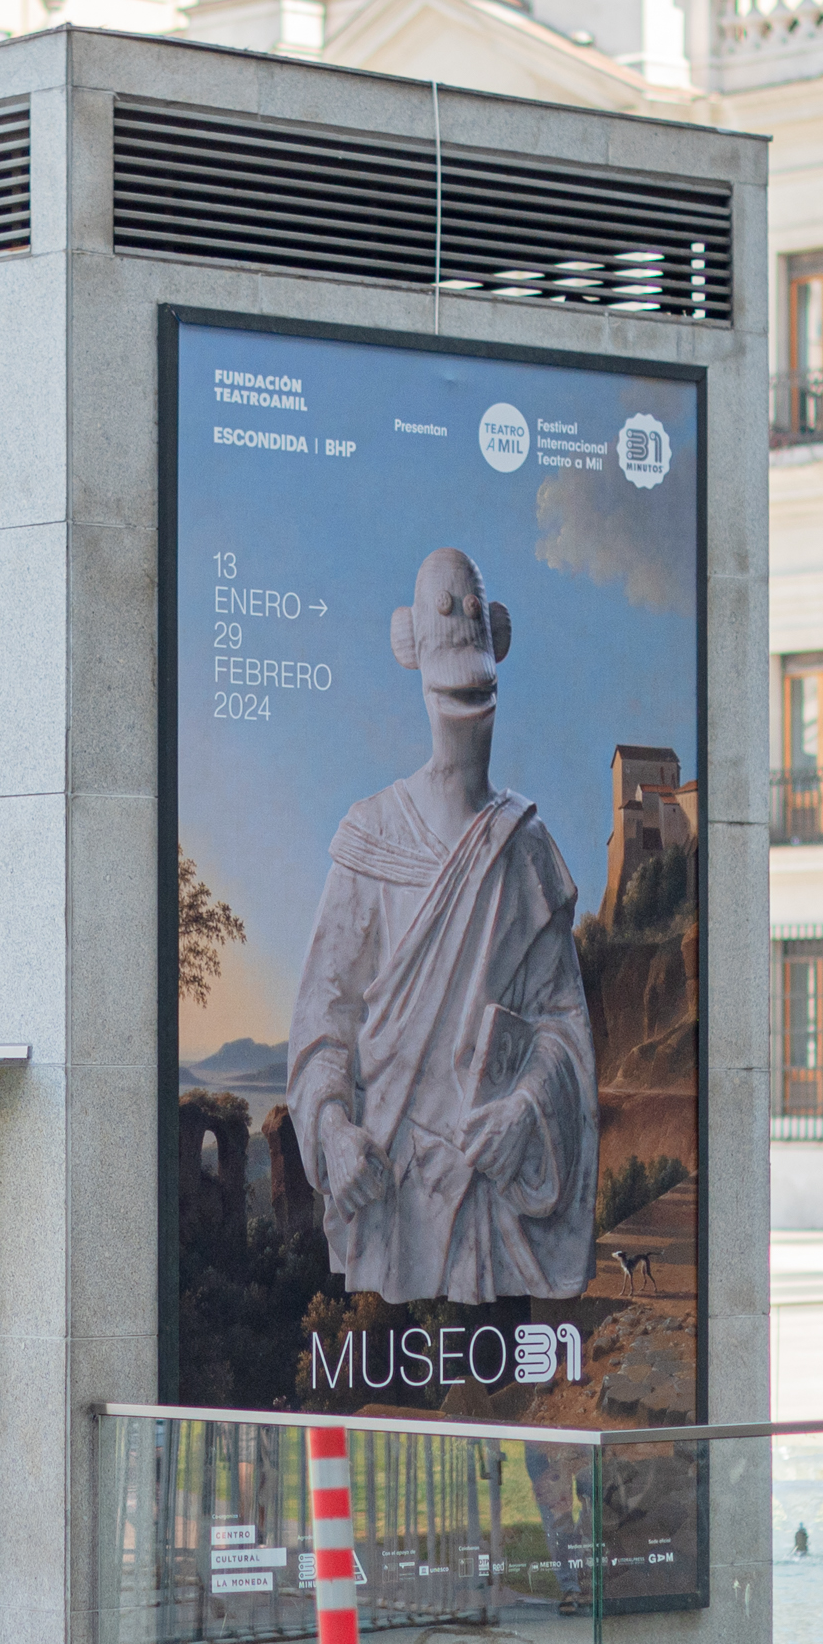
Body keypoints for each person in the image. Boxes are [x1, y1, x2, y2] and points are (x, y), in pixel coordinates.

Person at [285, 546, 600, 1307]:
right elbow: (324, 1023)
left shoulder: (525, 850)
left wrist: (524, 1110)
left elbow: (563, 1029)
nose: (468, 701)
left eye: (479, 676)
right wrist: (332, 1130)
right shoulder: (370, 839)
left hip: (490, 1206)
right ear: (412, 650)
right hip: (392, 1202)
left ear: (497, 638)